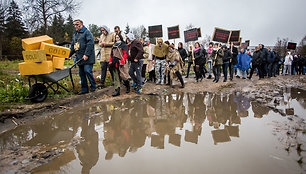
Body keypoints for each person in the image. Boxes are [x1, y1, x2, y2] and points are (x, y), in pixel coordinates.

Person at [69, 19, 96, 95]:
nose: (76, 26)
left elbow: (90, 44)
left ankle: (93, 86)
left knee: (87, 71)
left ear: (82, 24)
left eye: (77, 24)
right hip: (80, 58)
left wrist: (86, 54)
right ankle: (84, 89)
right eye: (74, 24)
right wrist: (67, 55)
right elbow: (73, 47)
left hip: (87, 57)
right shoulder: (75, 35)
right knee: (81, 74)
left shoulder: (87, 32)